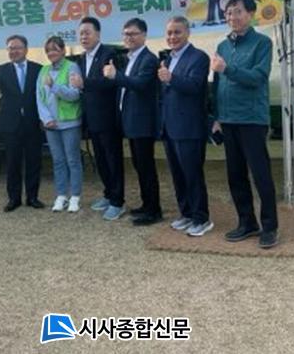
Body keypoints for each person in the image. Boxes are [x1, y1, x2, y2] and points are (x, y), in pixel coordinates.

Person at [211, 0, 278, 249]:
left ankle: (269, 227)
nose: (232, 17)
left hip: (251, 119)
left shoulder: (262, 43)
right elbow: (217, 84)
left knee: (261, 174)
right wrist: (216, 116)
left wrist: (227, 69)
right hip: (228, 120)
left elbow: (258, 77)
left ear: (250, 14)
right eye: (228, 13)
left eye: (237, 12)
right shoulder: (223, 45)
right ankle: (247, 222)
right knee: (235, 174)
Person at [103, 18, 162, 226]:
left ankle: (153, 210)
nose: (128, 37)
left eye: (133, 33)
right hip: (130, 120)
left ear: (144, 35)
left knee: (146, 167)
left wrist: (115, 76)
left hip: (142, 122)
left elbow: (139, 84)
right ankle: (147, 204)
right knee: (139, 165)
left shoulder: (149, 59)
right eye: (126, 34)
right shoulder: (130, 58)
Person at [158, 16, 213, 237]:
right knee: (178, 175)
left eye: (177, 32)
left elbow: (195, 86)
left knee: (192, 175)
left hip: (189, 127)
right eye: (169, 33)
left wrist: (171, 78)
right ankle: (187, 213)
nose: (172, 37)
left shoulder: (198, 57)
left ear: (188, 33)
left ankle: (201, 218)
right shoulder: (167, 59)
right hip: (170, 126)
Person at [0, 35, 44, 212]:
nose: (14, 51)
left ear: (26, 49)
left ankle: (32, 197)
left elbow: (44, 96)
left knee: (33, 161)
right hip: (10, 124)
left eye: (17, 47)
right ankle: (14, 199)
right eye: (10, 48)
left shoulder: (38, 69)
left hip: (33, 122)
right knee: (12, 163)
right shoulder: (2, 70)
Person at [77, 17, 125, 221]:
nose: (83, 37)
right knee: (101, 160)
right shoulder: (81, 58)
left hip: (108, 117)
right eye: (81, 33)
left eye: (87, 33)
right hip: (92, 118)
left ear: (97, 34)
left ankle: (118, 202)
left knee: (113, 160)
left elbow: (110, 83)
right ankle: (108, 194)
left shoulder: (109, 54)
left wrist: (84, 83)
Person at [36, 36, 84, 213]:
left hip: (69, 123)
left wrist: (55, 86)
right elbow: (39, 97)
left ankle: (75, 196)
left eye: (55, 49)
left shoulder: (72, 67)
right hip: (51, 125)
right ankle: (62, 195)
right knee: (58, 161)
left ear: (63, 50)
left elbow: (75, 94)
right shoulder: (43, 70)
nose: (51, 53)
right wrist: (46, 118)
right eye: (48, 50)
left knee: (72, 160)